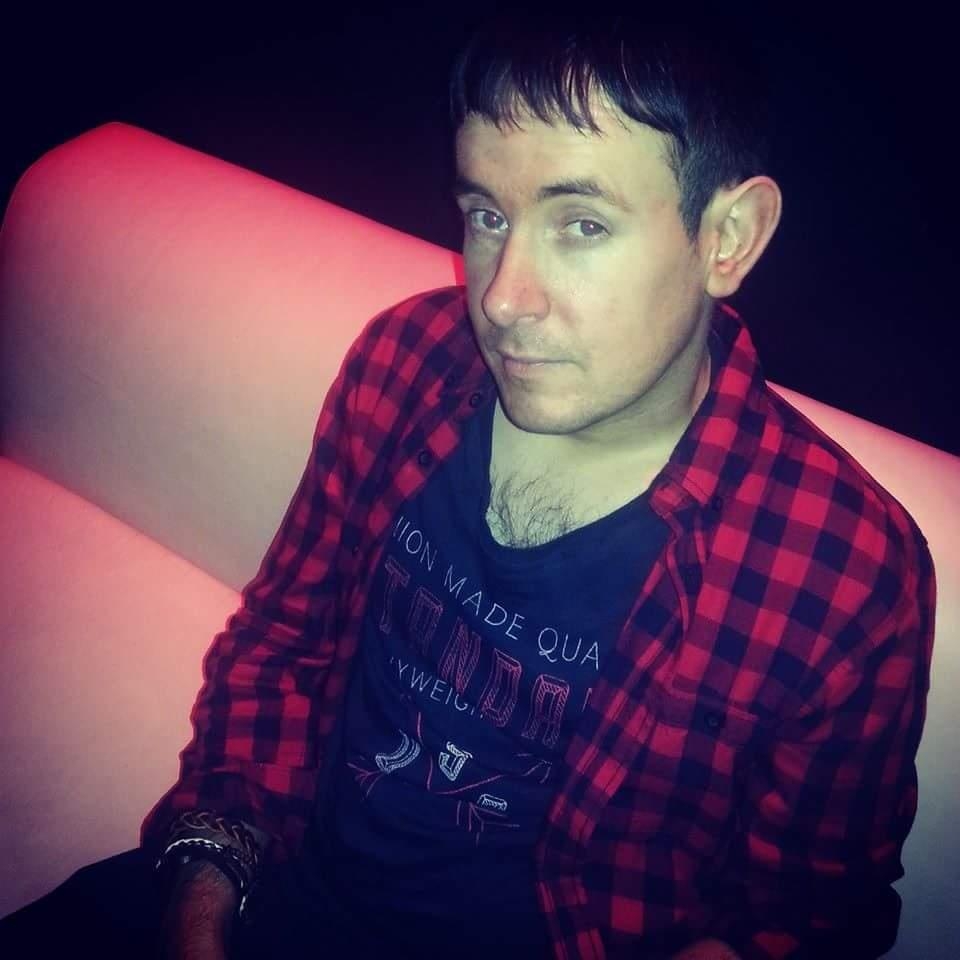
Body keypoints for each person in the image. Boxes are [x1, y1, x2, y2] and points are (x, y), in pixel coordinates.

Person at [0, 12, 935, 960]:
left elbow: (809, 915)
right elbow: (285, 641)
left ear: (727, 238)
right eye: (489, 216)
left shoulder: (843, 572)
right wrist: (206, 889)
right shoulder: (408, 360)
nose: (501, 296)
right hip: (276, 883)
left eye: (581, 225)